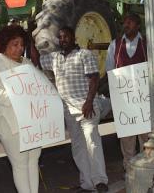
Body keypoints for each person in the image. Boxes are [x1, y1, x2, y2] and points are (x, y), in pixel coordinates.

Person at [39, 27, 108, 193]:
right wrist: (29, 35)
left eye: (66, 36)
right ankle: (87, 184)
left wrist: (89, 101)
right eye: (60, 37)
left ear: (73, 37)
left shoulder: (84, 54)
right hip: (68, 111)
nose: (63, 39)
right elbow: (38, 60)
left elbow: (94, 78)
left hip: (87, 108)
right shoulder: (55, 58)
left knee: (92, 142)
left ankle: (100, 181)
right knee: (78, 147)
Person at [0, 25, 41, 193]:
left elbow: (38, 87)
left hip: (30, 120)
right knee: (20, 163)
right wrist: (13, 98)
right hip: (8, 121)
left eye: (22, 44)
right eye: (15, 44)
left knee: (33, 160)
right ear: (5, 43)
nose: (20, 48)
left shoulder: (26, 62)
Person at [106, 13, 148, 170]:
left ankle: (147, 168)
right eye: (125, 22)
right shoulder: (114, 45)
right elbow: (110, 70)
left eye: (130, 22)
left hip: (144, 100)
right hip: (124, 101)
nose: (126, 25)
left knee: (146, 137)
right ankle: (129, 169)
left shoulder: (147, 44)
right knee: (127, 137)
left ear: (138, 25)